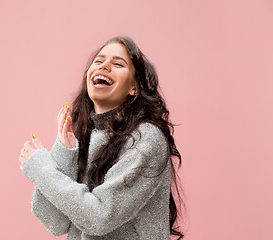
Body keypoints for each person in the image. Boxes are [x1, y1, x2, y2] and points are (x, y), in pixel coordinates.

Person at [19, 36, 184, 239]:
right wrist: (65, 152)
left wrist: (40, 167)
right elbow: (54, 221)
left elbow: (99, 217)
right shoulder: (85, 135)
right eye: (98, 61)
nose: (104, 66)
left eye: (117, 63)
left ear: (134, 88)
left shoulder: (146, 139)